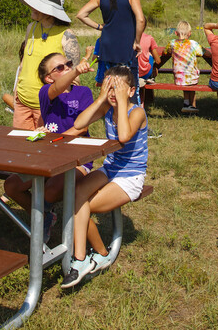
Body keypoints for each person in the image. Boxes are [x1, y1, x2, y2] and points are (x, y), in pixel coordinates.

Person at [62, 66, 149, 288]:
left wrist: (120, 102)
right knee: (76, 195)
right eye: (109, 88)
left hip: (131, 176)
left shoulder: (136, 112)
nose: (113, 93)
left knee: (84, 206)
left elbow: (123, 136)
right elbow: (79, 124)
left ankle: (82, 259)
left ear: (131, 91)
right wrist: (101, 99)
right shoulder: (107, 108)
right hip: (111, 168)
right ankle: (94, 255)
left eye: (118, 88)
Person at [3, 49, 96, 234]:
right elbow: (56, 89)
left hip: (78, 157)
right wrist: (76, 70)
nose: (67, 68)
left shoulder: (83, 93)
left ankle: (42, 220)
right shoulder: (46, 92)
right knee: (11, 186)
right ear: (48, 78)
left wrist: (59, 141)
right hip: (49, 156)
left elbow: (82, 128)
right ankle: (44, 216)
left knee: (51, 190)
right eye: (60, 68)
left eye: (68, 64)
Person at [13, 0, 80, 129]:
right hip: (22, 101)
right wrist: (16, 92)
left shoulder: (66, 35)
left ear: (49, 12)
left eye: (37, 5)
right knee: (20, 147)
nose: (31, 8)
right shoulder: (31, 28)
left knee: (44, 148)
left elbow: (74, 75)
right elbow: (23, 63)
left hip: (48, 105)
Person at [75, 0, 145, 87]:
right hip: (126, 45)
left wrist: (99, 27)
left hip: (107, 45)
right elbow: (141, 20)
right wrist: (137, 41)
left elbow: (81, 14)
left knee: (108, 84)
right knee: (128, 84)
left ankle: (109, 105)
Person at [164, 21, 203, 114]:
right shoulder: (193, 44)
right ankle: (193, 106)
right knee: (192, 86)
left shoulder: (172, 43)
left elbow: (166, 52)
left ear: (176, 33)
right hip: (191, 75)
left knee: (185, 83)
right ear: (189, 33)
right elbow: (200, 53)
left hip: (179, 77)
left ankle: (186, 104)